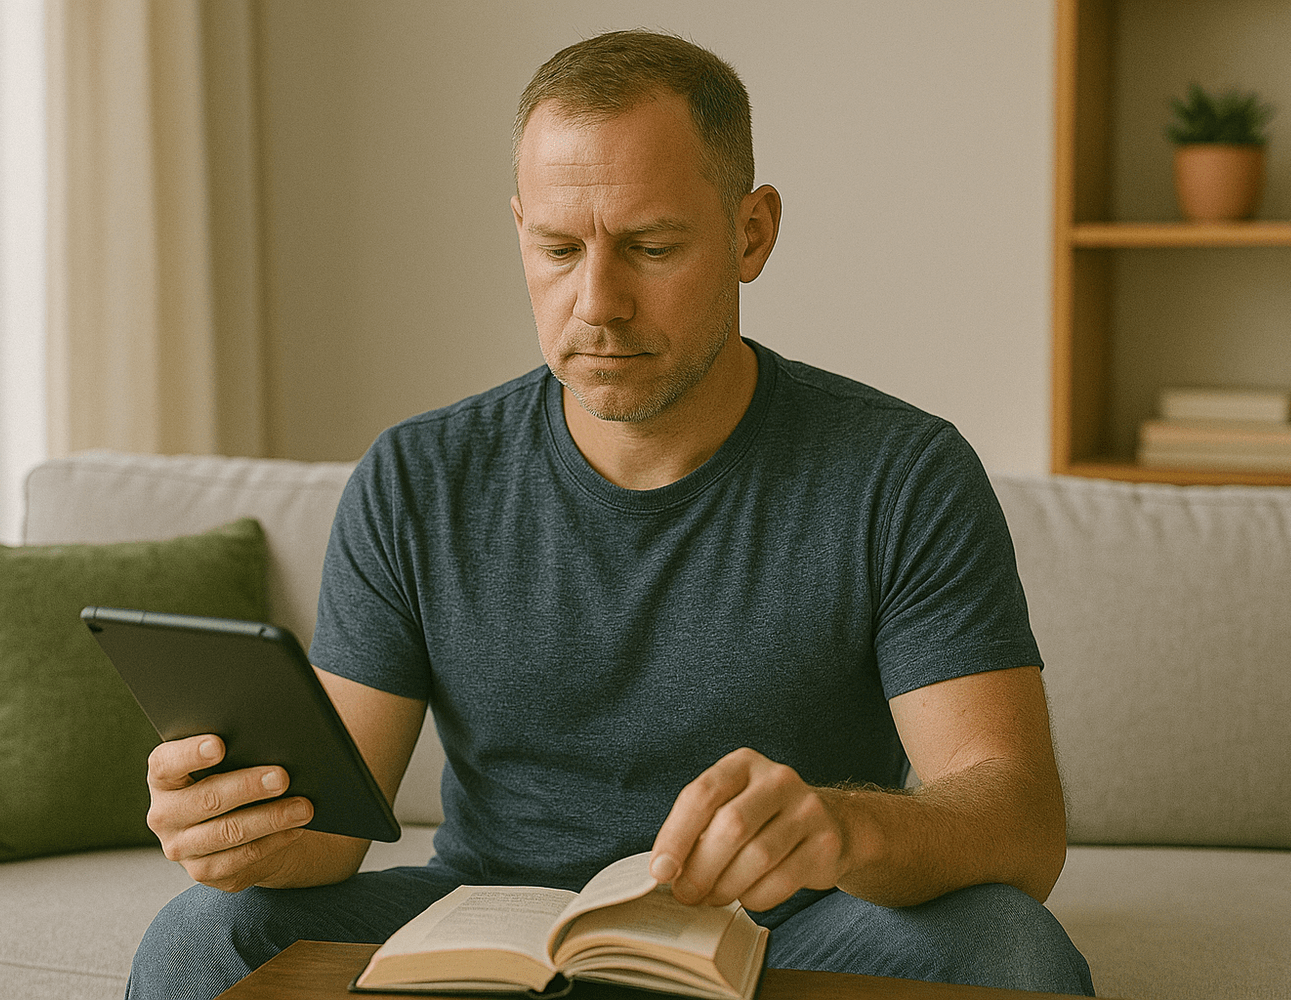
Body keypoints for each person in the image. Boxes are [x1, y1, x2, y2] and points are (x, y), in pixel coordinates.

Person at [127, 30, 1095, 999]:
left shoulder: (902, 473)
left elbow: (1015, 818)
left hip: (789, 930)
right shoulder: (416, 477)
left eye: (651, 246)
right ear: (520, 231)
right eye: (558, 249)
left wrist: (844, 826)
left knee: (1009, 947)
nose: (598, 302)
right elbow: (332, 834)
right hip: (493, 922)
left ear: (751, 232)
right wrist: (238, 828)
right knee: (204, 936)